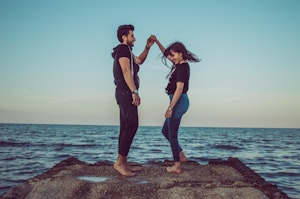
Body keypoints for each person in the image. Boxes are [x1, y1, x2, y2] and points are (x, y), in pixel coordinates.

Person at [151, 35, 200, 174]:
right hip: (177, 100)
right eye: (170, 56)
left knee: (172, 135)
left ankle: (177, 166)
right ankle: (181, 156)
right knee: (165, 131)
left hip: (178, 101)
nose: (171, 58)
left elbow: (179, 89)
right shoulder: (179, 65)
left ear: (180, 53)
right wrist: (156, 42)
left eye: (173, 55)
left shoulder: (182, 68)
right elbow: (166, 53)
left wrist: (170, 108)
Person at [111, 24, 153, 176]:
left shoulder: (127, 51)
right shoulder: (123, 50)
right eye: (132, 35)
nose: (134, 38)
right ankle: (120, 163)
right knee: (132, 125)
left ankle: (123, 162)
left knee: (125, 127)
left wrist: (147, 47)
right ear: (124, 37)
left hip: (124, 92)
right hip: (125, 92)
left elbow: (139, 61)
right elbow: (126, 70)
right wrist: (134, 91)